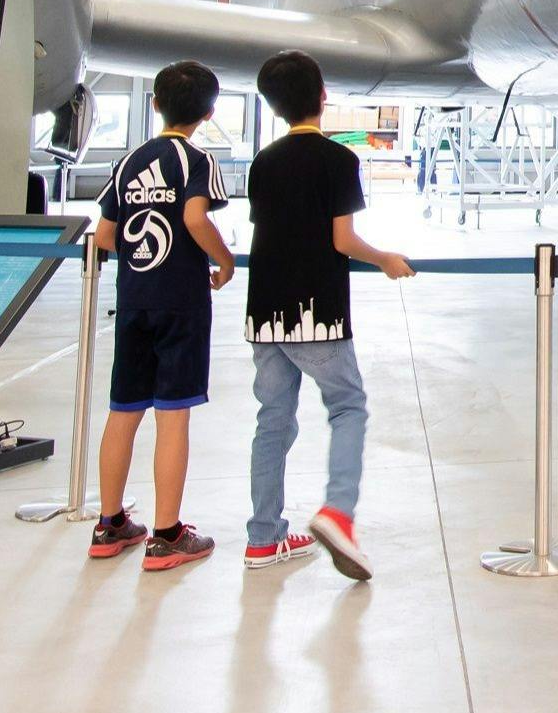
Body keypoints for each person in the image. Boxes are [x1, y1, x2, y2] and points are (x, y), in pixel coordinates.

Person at [242, 49, 414, 580]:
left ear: (272, 107)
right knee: (348, 407)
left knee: (272, 421)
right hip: (315, 311)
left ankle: (263, 538)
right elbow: (341, 239)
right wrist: (385, 257)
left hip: (264, 311)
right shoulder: (339, 161)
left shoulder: (263, 162)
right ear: (322, 96)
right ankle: (338, 511)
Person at [90, 61, 236, 572]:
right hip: (181, 301)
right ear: (209, 112)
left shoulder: (129, 161)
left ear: (155, 104)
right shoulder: (197, 159)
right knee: (173, 416)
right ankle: (168, 533)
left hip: (133, 298)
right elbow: (195, 217)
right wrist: (224, 259)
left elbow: (105, 236)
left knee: (123, 412)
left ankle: (109, 524)